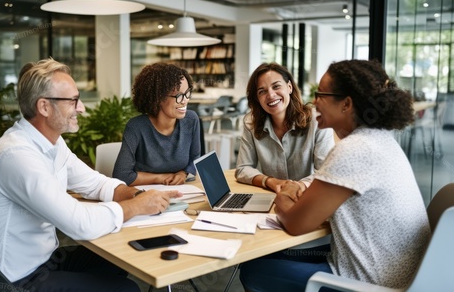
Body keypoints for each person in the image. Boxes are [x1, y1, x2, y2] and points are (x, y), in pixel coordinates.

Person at [0, 58, 180, 291]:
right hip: (10, 280)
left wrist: (137, 195)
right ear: (44, 107)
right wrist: (138, 206)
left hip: (43, 262)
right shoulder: (15, 156)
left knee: (122, 258)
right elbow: (79, 223)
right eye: (73, 101)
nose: (81, 108)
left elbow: (94, 183)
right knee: (126, 289)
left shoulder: (52, 142)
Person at [240, 59, 431, 292]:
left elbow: (295, 224)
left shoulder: (353, 150)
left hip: (367, 282)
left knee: (253, 270)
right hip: (396, 275)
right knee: (270, 258)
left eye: (321, 94)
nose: (315, 100)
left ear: (346, 104)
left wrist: (283, 196)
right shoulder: (377, 138)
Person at [235, 62, 334, 200]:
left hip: (307, 198)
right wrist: (269, 181)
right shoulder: (251, 123)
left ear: (289, 87)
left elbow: (326, 172)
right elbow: (242, 169)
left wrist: (300, 186)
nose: (270, 95)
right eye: (262, 91)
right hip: (271, 198)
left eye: (276, 86)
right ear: (257, 98)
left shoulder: (318, 121)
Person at [113, 62, 201, 186]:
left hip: (182, 191)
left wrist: (183, 173)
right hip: (145, 195)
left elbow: (195, 157)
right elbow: (121, 175)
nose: (185, 100)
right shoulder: (136, 127)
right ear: (158, 97)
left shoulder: (191, 120)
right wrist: (162, 178)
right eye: (179, 95)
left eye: (187, 93)